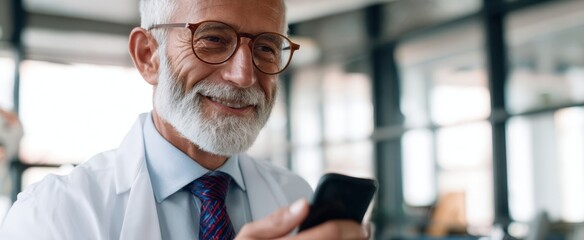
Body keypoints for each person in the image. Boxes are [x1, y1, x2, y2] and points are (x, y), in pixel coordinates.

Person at [0, 0, 369, 239]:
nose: (243, 75)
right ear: (148, 56)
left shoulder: (295, 196)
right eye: (212, 40)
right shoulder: (51, 218)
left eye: (265, 47)